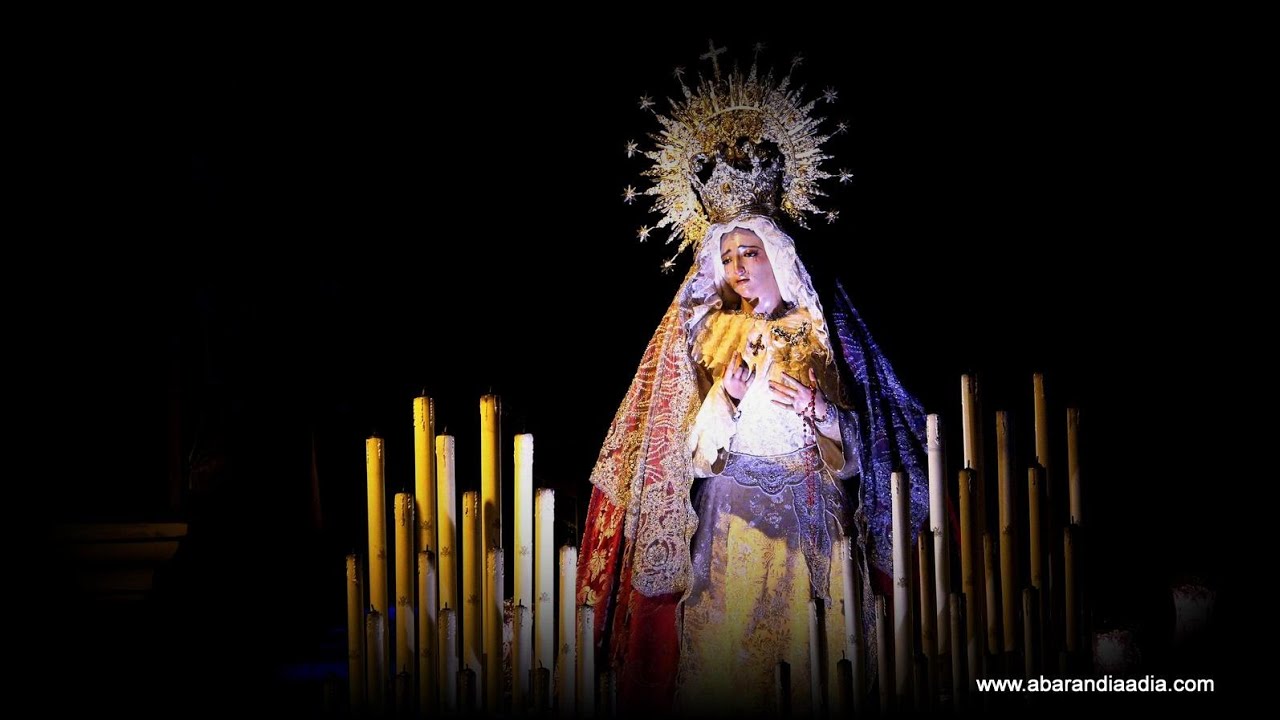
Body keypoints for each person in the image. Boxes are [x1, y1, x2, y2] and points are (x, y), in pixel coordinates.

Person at [576, 46, 928, 716]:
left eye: (751, 252)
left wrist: (821, 411)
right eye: (729, 256)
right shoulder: (709, 334)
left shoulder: (821, 330)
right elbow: (692, 454)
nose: (739, 268)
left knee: (819, 656)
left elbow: (858, 455)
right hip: (732, 517)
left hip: (810, 510)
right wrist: (725, 397)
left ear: (778, 254)